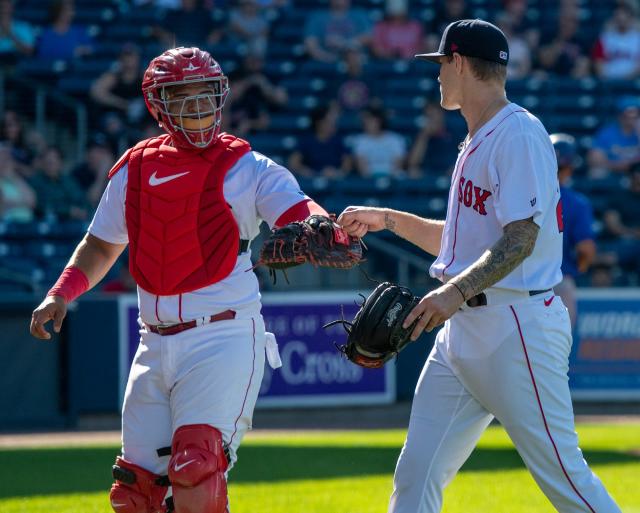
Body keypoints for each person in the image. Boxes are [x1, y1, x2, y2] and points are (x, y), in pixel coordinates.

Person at [29, 46, 335, 513]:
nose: (198, 107)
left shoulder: (247, 166)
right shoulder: (134, 167)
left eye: (205, 94)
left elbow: (299, 210)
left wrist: (319, 226)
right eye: (182, 96)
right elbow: (101, 244)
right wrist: (60, 292)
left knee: (196, 470)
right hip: (152, 344)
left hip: (224, 335)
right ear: (158, 105)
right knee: (135, 495)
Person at [338, 19, 621, 513]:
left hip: (516, 325)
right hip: (464, 330)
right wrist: (387, 218)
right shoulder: (476, 139)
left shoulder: (519, 132)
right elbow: (457, 245)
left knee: (565, 480)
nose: (438, 77)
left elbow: (521, 239)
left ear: (461, 63)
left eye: (442, 64)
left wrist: (453, 293)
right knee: (416, 473)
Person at [551, 133, 596, 329]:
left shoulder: (519, 196)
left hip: (519, 284)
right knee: (557, 353)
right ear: (570, 167)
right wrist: (579, 269)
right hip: (559, 281)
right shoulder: (577, 203)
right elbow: (586, 249)